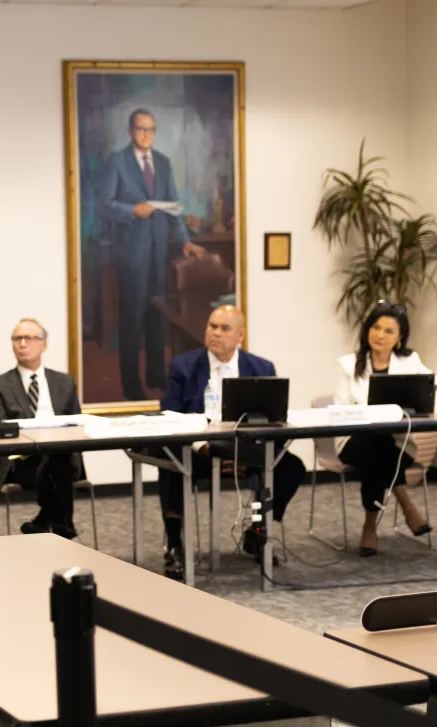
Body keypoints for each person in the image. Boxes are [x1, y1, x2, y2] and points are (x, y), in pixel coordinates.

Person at [158, 305, 304, 580]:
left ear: (240, 334)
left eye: (225, 328)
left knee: (291, 468)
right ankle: (175, 546)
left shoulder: (261, 367)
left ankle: (259, 530)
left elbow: (274, 420)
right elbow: (171, 417)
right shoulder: (184, 367)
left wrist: (249, 455)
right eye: (212, 326)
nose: (216, 333)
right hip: (199, 451)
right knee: (171, 469)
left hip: (247, 451)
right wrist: (205, 448)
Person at [100, 108, 206, 402]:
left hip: (159, 253)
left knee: (157, 317)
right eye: (140, 129)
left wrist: (184, 241)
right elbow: (105, 204)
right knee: (132, 320)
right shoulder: (117, 162)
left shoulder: (163, 162)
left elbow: (173, 205)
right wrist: (131, 210)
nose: (146, 135)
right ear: (130, 131)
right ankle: (131, 383)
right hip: (130, 256)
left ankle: (157, 376)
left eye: (150, 130)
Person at [334, 301, 432, 557]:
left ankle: (370, 526)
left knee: (380, 447)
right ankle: (404, 501)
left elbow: (430, 388)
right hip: (353, 442)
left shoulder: (410, 361)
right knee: (377, 440)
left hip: (397, 445)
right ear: (367, 330)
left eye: (389, 331)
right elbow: (340, 408)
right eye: (376, 327)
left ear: (400, 338)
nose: (380, 335)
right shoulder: (348, 364)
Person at [0, 318, 83, 538]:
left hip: (60, 457)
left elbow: (77, 423)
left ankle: (45, 522)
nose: (22, 344)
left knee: (58, 460)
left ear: (44, 345)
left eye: (29, 338)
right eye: (17, 338)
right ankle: (63, 529)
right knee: (58, 467)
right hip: (21, 462)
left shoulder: (64, 383)